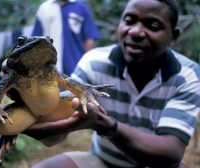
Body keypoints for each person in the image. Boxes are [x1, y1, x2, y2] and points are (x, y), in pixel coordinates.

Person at [21, 0, 200, 167]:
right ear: (119, 25)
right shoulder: (93, 63)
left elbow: (171, 153)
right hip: (102, 162)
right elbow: (53, 139)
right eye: (129, 21)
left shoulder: (186, 75)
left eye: (153, 26)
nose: (136, 32)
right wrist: (32, 105)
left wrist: (105, 124)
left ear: (173, 36)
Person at [31, 0, 101, 76]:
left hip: (76, 67)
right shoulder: (44, 8)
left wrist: (88, 66)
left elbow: (89, 39)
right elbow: (36, 41)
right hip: (49, 68)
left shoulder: (81, 8)